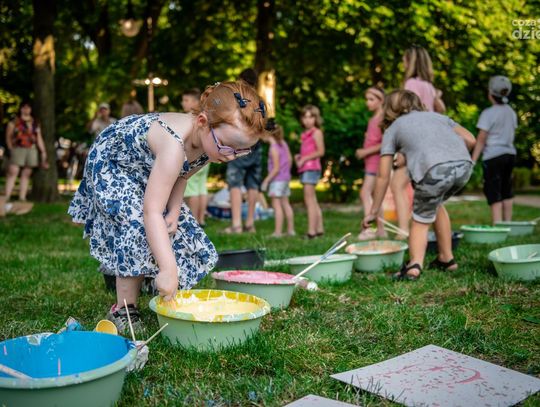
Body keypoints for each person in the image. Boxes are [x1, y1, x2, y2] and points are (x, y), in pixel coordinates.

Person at [68, 81, 267, 333]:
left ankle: (146, 276)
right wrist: (168, 268)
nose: (230, 156)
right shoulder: (174, 144)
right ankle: (124, 308)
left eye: (241, 151)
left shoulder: (209, 143)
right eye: (228, 147)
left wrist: (174, 210)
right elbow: (150, 211)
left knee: (172, 224)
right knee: (137, 223)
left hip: (145, 165)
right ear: (203, 122)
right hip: (114, 162)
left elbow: (182, 174)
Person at [362, 90, 476, 281]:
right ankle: (446, 259)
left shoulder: (393, 128)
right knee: (435, 204)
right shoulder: (438, 117)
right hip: (464, 167)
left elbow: (383, 176)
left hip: (435, 172)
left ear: (389, 110)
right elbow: (471, 140)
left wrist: (373, 212)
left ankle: (414, 266)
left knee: (420, 220)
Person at [390, 46, 446, 239]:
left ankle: (404, 230)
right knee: (427, 188)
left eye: (404, 59)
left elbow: (409, 115)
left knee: (397, 184)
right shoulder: (429, 86)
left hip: (416, 141)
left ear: (410, 62)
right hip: (430, 140)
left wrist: (403, 150)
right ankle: (435, 233)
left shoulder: (411, 84)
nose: (402, 63)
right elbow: (439, 110)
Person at [471, 76, 517, 224]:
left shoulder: (488, 113)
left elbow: (481, 139)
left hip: (493, 156)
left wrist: (473, 160)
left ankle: (498, 224)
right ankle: (508, 223)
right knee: (506, 189)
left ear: (490, 94)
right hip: (510, 154)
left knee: (493, 189)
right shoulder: (511, 112)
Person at [224, 69, 264, 234]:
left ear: (241, 80)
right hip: (256, 146)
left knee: (235, 184)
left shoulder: (239, 100)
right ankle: (250, 223)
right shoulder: (259, 101)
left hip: (240, 145)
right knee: (253, 184)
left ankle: (236, 224)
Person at [355, 86, 387, 240]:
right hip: (370, 162)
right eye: (367, 99)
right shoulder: (373, 119)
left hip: (376, 161)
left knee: (365, 192)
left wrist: (365, 152)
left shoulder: (382, 120)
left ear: (381, 101)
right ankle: (381, 230)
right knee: (375, 196)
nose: (367, 102)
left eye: (371, 99)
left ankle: (369, 229)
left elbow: (385, 143)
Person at [4, 101, 49, 203]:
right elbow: (8, 137)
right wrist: (10, 148)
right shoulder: (14, 122)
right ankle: (7, 196)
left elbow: (39, 138)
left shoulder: (35, 123)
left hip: (31, 149)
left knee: (27, 173)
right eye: (24, 107)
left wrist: (43, 151)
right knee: (13, 171)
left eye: (28, 107)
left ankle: (22, 197)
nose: (26, 110)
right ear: (20, 109)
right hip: (17, 148)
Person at [182, 88, 210, 227]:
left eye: (186, 100)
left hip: (194, 154)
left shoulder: (190, 117)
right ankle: (201, 218)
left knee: (192, 188)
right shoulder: (206, 116)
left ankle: (194, 219)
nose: (183, 103)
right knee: (201, 187)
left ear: (195, 102)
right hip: (206, 155)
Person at [295, 105, 325, 239]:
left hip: (311, 168)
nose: (308, 120)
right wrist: (299, 157)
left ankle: (311, 232)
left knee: (309, 200)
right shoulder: (305, 134)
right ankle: (319, 228)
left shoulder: (316, 132)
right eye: (305, 117)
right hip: (306, 168)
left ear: (316, 118)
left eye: (311, 117)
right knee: (312, 199)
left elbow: (321, 151)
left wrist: (304, 158)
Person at [261, 122, 295, 237]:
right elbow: (290, 160)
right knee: (286, 203)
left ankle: (277, 232)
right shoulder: (283, 143)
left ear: (267, 134)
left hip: (277, 181)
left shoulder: (273, 148)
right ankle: (290, 230)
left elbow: (275, 169)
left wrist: (266, 181)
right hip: (285, 179)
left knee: (277, 206)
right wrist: (286, 173)